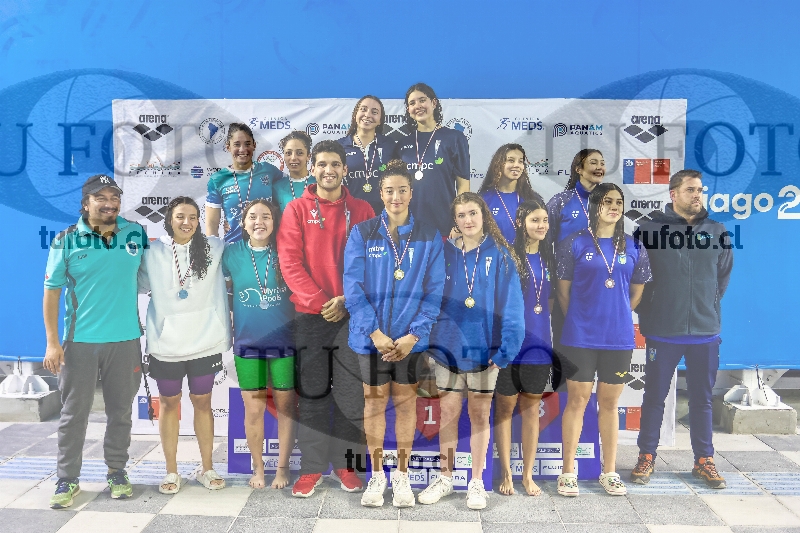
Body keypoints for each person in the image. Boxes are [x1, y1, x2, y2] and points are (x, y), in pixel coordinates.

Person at [343, 160, 445, 508]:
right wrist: (374, 333)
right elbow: (353, 287)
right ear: (381, 194)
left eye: (402, 190)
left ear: (411, 193)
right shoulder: (363, 232)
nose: (396, 196)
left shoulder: (429, 235)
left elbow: (435, 290)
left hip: (410, 342)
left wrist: (413, 336)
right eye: (389, 191)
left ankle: (400, 476)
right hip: (371, 339)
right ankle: (376, 476)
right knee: (374, 404)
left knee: (405, 404)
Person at [277, 139, 375, 497]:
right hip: (311, 316)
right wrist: (323, 303)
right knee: (313, 394)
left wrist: (347, 301)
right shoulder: (295, 209)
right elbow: (290, 263)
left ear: (345, 169)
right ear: (312, 168)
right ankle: (312, 468)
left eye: (335, 164)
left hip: (353, 315)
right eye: (322, 164)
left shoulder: (363, 209)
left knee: (351, 395)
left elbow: (373, 262)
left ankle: (348, 467)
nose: (328, 170)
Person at [43, 174, 147, 509]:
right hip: (80, 343)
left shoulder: (135, 233)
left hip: (126, 340)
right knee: (74, 414)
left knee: (121, 412)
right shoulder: (66, 240)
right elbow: (51, 293)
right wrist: (53, 343)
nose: (109, 203)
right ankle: (67, 479)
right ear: (86, 203)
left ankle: (117, 472)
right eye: (100, 198)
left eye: (114, 197)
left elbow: (150, 277)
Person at [418, 192, 524, 510]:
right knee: (448, 414)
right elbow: (428, 297)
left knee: (479, 415)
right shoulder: (443, 252)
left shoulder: (501, 254)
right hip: (447, 349)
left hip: (484, 351)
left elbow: (513, 308)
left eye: (473, 213)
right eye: (461, 215)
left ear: (484, 215)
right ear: (455, 220)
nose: (468, 220)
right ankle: (446, 478)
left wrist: (505, 351)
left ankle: (476, 481)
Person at [631, 169, 733, 489]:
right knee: (654, 397)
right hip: (663, 330)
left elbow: (722, 277)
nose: (697, 195)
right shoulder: (648, 230)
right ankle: (647, 456)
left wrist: (707, 306)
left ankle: (704, 460)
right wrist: (652, 310)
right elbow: (637, 277)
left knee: (702, 400)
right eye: (690, 190)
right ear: (673, 193)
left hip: (705, 332)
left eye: (700, 190)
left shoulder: (717, 231)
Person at [555, 183, 651, 497]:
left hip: (618, 338)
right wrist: (583, 318)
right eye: (607, 201)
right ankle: (568, 471)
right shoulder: (573, 243)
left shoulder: (634, 246)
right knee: (578, 401)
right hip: (580, 337)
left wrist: (616, 314)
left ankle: (609, 471)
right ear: (594, 206)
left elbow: (636, 293)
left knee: (609, 404)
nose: (613, 207)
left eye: (618, 202)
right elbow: (563, 292)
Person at [138, 196, 231, 494]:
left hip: (205, 341)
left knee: (203, 403)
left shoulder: (214, 247)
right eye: (180, 216)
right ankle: (171, 471)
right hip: (166, 344)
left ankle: (207, 468)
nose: (187, 222)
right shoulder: (152, 251)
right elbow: (135, 283)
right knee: (169, 404)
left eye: (192, 217)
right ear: (169, 219)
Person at [222, 199, 296, 490]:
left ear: (275, 222)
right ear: (243, 223)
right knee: (253, 410)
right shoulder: (231, 253)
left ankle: (282, 468)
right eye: (252, 216)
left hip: (284, 343)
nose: (259, 222)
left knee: (286, 408)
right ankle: (258, 467)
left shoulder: (285, 251)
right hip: (248, 344)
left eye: (266, 216)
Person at [494, 198, 555, 497]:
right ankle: (506, 472)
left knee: (531, 410)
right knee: (505, 409)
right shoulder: (507, 256)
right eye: (534, 220)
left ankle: (527, 475)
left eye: (544, 220)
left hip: (539, 346)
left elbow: (551, 302)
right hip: (509, 344)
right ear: (520, 223)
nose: (541, 225)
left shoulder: (549, 258)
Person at [545, 149, 606, 391]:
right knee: (564, 351)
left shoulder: (608, 201)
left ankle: (586, 410)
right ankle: (561, 403)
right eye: (593, 162)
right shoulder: (560, 202)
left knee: (594, 357)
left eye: (602, 163)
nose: (599, 167)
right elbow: (544, 246)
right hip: (567, 288)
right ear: (578, 169)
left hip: (600, 289)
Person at [394, 83, 470, 238]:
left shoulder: (454, 138)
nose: (418, 106)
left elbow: (463, 185)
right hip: (409, 227)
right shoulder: (402, 144)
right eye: (412, 103)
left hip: (444, 226)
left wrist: (458, 222)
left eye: (422, 100)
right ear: (408, 109)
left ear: (434, 103)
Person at [205, 122, 282, 242]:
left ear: (254, 145)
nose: (242, 149)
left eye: (247, 144)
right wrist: (212, 249)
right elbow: (211, 225)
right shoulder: (218, 179)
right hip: (234, 247)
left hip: (268, 247)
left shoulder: (268, 170)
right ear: (228, 147)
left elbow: (288, 193)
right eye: (237, 144)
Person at [338, 95, 397, 215]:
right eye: (363, 109)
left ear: (380, 120)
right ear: (355, 114)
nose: (368, 115)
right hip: (349, 213)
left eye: (374, 112)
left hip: (384, 214)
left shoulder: (389, 145)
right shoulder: (340, 146)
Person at [478, 143, 544, 244]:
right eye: (511, 160)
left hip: (525, 253)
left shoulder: (533, 199)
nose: (516, 165)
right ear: (498, 164)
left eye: (520, 161)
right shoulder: (483, 199)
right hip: (495, 253)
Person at [274, 131, 316, 211]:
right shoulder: (277, 187)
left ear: (308, 156)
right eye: (288, 153)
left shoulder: (319, 184)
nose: (293, 158)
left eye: (299, 153)